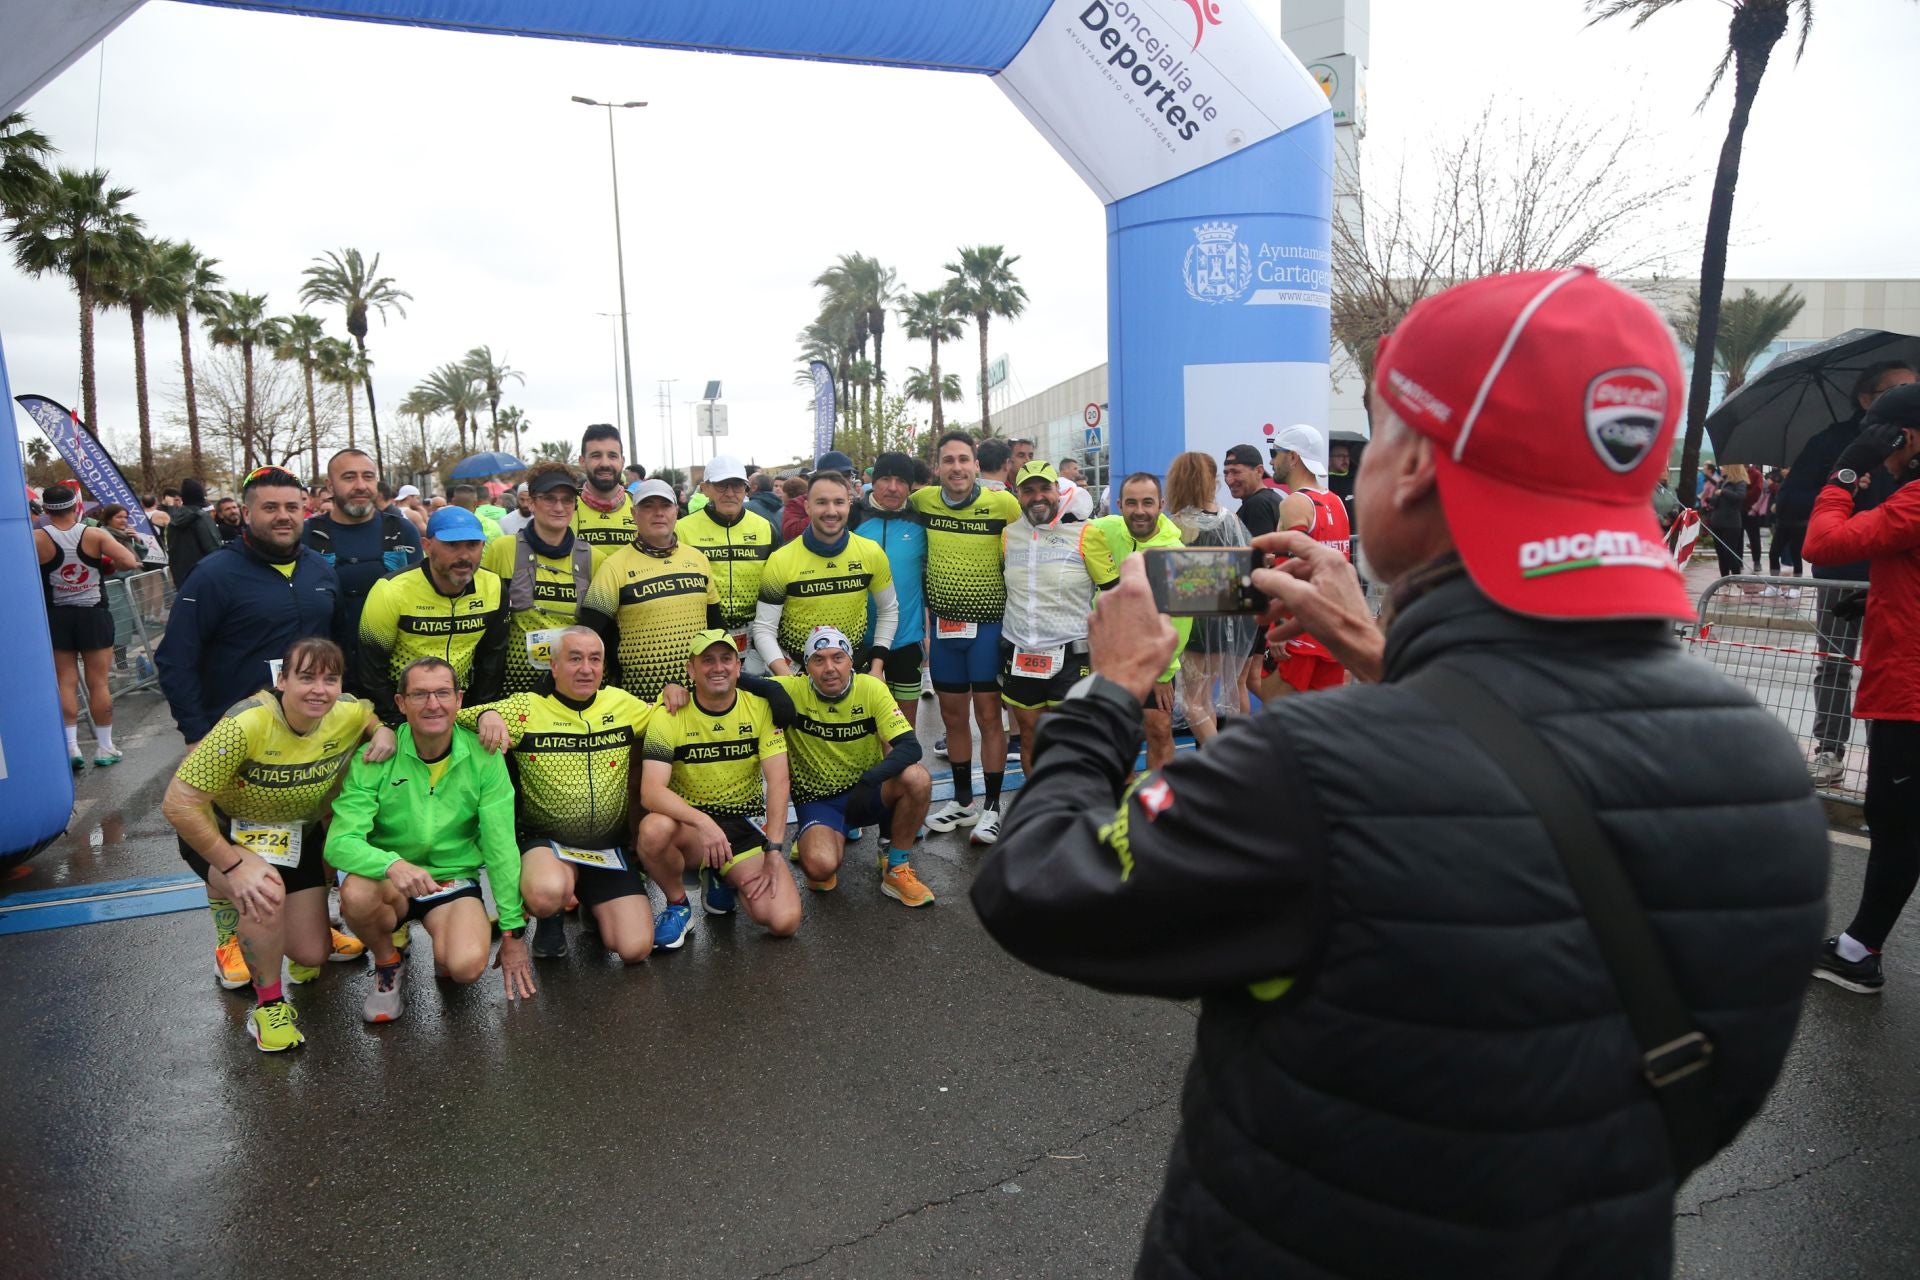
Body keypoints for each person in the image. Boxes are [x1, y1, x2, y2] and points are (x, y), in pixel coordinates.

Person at [972, 266, 1828, 1279]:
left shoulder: (1311, 770)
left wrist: (1110, 691)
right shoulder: (1768, 768)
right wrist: (1388, 648)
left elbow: (1036, 881)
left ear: (1413, 463)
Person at [156, 466, 345, 990]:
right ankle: (227, 939)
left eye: (291, 507)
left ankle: (312, 923)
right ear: (246, 513)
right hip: (234, 740)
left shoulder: (320, 571)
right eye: (270, 507)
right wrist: (195, 730)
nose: (283, 516)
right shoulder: (215, 574)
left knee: (306, 832)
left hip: (302, 739)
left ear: (305, 510)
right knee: (222, 843)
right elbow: (175, 658)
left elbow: (335, 652)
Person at [161, 639, 394, 1050]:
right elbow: (178, 804)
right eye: (305, 678)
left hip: (293, 834)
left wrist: (383, 732)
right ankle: (267, 1007)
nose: (318, 689)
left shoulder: (347, 713)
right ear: (281, 680)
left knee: (311, 954)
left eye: (330, 679)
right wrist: (232, 865)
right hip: (222, 831)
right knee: (261, 891)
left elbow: (367, 714)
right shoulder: (245, 724)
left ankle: (255, 922)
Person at [328, 654, 534, 1023]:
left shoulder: (485, 757)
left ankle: (445, 942)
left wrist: (512, 931)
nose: (433, 704)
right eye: (420, 695)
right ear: (400, 703)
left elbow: (501, 847)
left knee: (466, 967)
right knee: (356, 894)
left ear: (459, 699)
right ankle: (388, 962)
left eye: (442, 693)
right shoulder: (375, 756)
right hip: (390, 880)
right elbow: (340, 842)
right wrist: (391, 863)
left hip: (451, 878)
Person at [1805, 380, 1920, 993]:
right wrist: (1878, 598)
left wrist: (1846, 474)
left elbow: (1819, 543)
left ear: (1903, 436)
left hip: (1910, 691)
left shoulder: (1914, 502)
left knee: (1896, 822)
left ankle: (1857, 953)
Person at [462, 628, 667, 962]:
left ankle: (590, 902)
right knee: (546, 893)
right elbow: (454, 720)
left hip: (606, 849)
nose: (585, 668)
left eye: (594, 659)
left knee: (635, 949)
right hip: (547, 844)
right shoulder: (525, 707)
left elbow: (674, 712)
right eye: (574, 659)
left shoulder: (623, 704)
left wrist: (673, 691)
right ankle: (550, 916)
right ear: (554, 666)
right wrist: (486, 714)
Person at [1780, 360, 1918, 784]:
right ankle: (1830, 749)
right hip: (1849, 568)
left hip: (1888, 567)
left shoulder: (1904, 476)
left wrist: (1847, 484)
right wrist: (1843, 480)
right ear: (1865, 398)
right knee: (1835, 662)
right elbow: (1791, 503)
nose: (1908, 396)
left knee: (1893, 675)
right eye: (1895, 390)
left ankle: (1887, 754)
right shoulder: (1834, 442)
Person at [637, 629, 795, 947]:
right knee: (653, 829)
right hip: (691, 830)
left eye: (726, 659)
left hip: (743, 825)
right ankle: (679, 906)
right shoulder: (668, 714)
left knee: (783, 921)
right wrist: (703, 822)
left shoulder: (760, 707)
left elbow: (778, 782)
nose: (718, 667)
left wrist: (774, 851)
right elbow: (651, 792)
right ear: (690, 670)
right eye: (706, 660)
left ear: (739, 667)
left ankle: (721, 874)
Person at [757, 625, 934, 905]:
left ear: (851, 661)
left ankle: (895, 865)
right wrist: (769, 688)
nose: (829, 668)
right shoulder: (791, 688)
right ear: (806, 667)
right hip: (819, 800)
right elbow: (732, 680)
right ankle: (816, 841)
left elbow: (910, 747)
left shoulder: (870, 687)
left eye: (838, 657)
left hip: (868, 793)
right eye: (819, 659)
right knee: (819, 869)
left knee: (917, 778)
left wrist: (869, 780)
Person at [911, 431, 1024, 842]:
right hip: (944, 631)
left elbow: (1028, 549)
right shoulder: (922, 502)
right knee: (953, 719)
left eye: (964, 459)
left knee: (990, 719)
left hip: (989, 628)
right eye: (948, 460)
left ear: (977, 465)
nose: (956, 467)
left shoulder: (1003, 504)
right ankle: (963, 801)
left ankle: (992, 807)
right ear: (937, 467)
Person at [356, 505, 509, 726]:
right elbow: (371, 670)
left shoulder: (494, 586)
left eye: (473, 545)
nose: (464, 555)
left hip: (462, 708)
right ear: (427, 546)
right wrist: (395, 723)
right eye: (451, 545)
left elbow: (492, 662)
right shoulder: (390, 590)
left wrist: (479, 713)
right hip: (403, 709)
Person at [577, 478, 722, 707]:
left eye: (665, 506)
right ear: (634, 514)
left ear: (676, 511)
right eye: (648, 506)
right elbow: (589, 635)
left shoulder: (698, 559)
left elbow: (715, 628)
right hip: (640, 702)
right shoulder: (614, 566)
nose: (658, 513)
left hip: (698, 698)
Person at [1081, 472, 1190, 770]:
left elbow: (1180, 623)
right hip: (1107, 655)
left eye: (1147, 502)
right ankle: (1120, 805)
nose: (1139, 511)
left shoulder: (1175, 555)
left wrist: (1164, 674)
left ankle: (1158, 806)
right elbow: (1080, 531)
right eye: (1131, 503)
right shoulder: (1108, 529)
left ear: (1161, 505)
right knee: (1111, 735)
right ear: (1118, 505)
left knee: (1158, 730)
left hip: (1153, 662)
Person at [36, 483, 142, 767]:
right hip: (93, 614)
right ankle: (105, 747)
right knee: (98, 683)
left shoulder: (36, 538)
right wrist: (106, 564)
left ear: (46, 509)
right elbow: (130, 562)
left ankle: (71, 748)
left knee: (65, 682)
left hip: (57, 616)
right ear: (75, 507)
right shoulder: (93, 534)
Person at [751, 471, 898, 677]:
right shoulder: (781, 559)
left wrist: (876, 668)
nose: (831, 511)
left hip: (851, 669)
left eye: (839, 502)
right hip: (797, 672)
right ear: (807, 507)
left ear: (849, 505)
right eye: (821, 502)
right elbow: (764, 628)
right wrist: (788, 679)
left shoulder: (871, 553)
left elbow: (889, 610)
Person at [303, 448, 423, 692]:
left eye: (368, 477)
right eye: (349, 477)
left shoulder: (402, 531)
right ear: (330, 485)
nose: (360, 485)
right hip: (326, 677)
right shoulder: (308, 535)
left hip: (392, 674)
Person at [474, 461, 597, 695]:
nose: (559, 507)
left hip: (571, 689)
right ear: (531, 502)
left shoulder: (593, 557)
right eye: (549, 498)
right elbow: (486, 620)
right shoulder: (502, 549)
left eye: (567, 500)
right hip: (515, 689)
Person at [1000, 460, 1098, 752]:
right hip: (1021, 652)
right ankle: (1038, 798)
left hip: (1072, 653)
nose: (1038, 496)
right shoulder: (1008, 535)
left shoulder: (1086, 532)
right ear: (1018, 495)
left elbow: (1111, 592)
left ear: (1058, 490)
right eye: (1028, 490)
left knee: (1072, 739)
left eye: (1045, 488)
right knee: (1030, 737)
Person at [1163, 452, 1255, 739]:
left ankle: (1220, 764)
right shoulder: (1230, 519)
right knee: (1206, 699)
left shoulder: (1179, 524)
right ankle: (1227, 758)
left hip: (1193, 623)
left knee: (1192, 702)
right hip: (1224, 619)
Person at [1269, 423, 1355, 696]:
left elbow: (1287, 570)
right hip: (1330, 632)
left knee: (1274, 712)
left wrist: (1279, 627)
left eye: (1275, 452)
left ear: (1293, 457)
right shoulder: (1337, 502)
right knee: (1320, 727)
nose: (1271, 460)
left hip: (1300, 633)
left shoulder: (1294, 503)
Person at [677, 455, 778, 665]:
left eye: (738, 486)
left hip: (756, 636)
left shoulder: (765, 528)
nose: (730, 493)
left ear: (747, 489)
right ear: (705, 488)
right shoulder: (682, 530)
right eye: (722, 486)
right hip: (702, 634)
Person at [854, 452, 928, 724]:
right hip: (859, 640)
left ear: (911, 485)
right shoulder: (852, 518)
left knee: (903, 727)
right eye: (885, 479)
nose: (893, 487)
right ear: (874, 481)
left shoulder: (921, 521)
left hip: (906, 640)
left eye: (901, 480)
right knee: (864, 727)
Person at [571, 424, 638, 554]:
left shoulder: (639, 507)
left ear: (622, 461)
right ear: (582, 461)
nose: (605, 463)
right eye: (596, 455)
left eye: (612, 456)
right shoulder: (565, 508)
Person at [166, 477, 222, 589]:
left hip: (182, 579)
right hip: (205, 578)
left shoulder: (172, 521)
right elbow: (214, 548)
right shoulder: (201, 517)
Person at [1223, 443, 1283, 540]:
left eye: (1236, 472)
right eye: (1226, 473)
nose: (1229, 480)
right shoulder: (1269, 499)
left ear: (1259, 471)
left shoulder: (1258, 504)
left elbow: (1261, 553)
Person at [1703, 462, 1750, 578]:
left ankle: (1736, 579)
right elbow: (1716, 501)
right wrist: (1709, 499)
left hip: (1731, 523)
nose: (1721, 468)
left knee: (1729, 553)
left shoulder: (1740, 482)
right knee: (1721, 555)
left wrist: (1723, 492)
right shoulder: (1721, 482)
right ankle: (1724, 580)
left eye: (1724, 466)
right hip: (1717, 522)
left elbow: (1739, 497)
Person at [746, 469, 785, 536]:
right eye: (776, 486)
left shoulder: (745, 508)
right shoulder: (781, 509)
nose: (746, 488)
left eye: (748, 485)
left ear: (754, 487)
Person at [779, 473, 811, 542]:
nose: (782, 495)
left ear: (789, 493)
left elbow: (789, 532)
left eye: (783, 492)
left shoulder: (793, 506)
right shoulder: (811, 500)